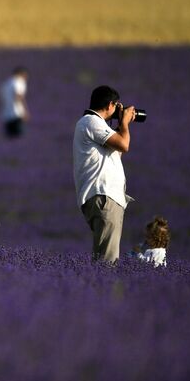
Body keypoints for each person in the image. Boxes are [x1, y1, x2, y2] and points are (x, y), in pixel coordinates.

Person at [73, 85, 137, 264]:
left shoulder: (93, 125)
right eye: (117, 107)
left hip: (105, 197)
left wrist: (119, 127)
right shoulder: (91, 122)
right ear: (111, 105)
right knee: (107, 261)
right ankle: (103, 289)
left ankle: (99, 287)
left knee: (104, 255)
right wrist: (124, 124)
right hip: (104, 196)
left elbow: (117, 151)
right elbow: (124, 145)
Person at [0, 66, 29, 138]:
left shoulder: (5, 84)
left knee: (10, 138)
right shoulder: (19, 82)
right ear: (21, 74)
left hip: (6, 116)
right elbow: (19, 96)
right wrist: (24, 112)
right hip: (16, 114)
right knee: (19, 137)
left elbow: (1, 101)